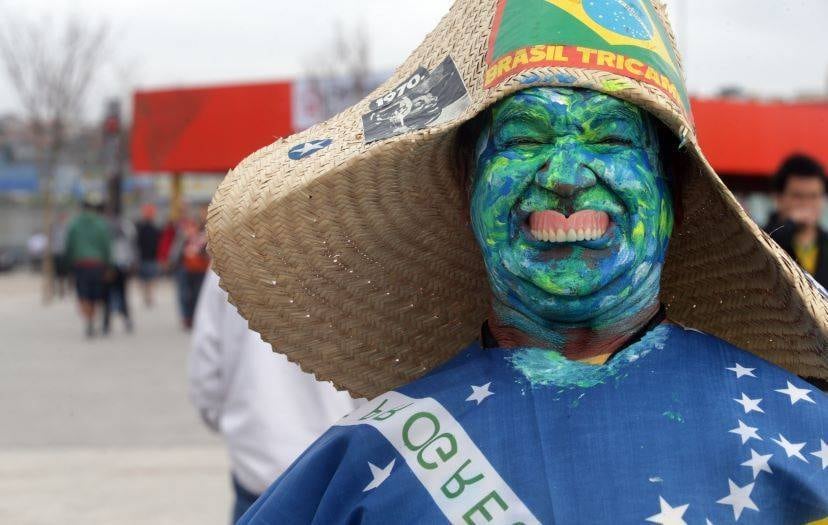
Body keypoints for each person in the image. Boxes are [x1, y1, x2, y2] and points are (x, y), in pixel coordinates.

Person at [208, 1, 827, 523]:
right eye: (525, 138)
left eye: (611, 139)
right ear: (467, 191)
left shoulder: (802, 440)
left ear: (675, 199)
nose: (562, 177)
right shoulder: (361, 469)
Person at [189, 270, 361, 523]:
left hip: (258, 461)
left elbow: (205, 366)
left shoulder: (229, 256)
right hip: (333, 465)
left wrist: (227, 421)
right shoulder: (352, 258)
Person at [766, 154, 828, 287]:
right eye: (798, 196)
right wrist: (790, 224)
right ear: (779, 198)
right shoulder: (764, 237)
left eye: (813, 196)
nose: (806, 203)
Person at [65, 193, 111, 337]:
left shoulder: (74, 223)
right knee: (95, 295)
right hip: (98, 264)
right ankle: (92, 318)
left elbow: (69, 245)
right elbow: (107, 246)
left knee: (83, 294)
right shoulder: (101, 224)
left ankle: (88, 320)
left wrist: (68, 265)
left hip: (80, 264)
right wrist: (110, 265)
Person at [170, 205, 210, 329]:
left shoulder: (208, 233)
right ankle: (187, 317)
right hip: (185, 267)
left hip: (201, 268)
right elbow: (177, 248)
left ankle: (196, 316)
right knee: (185, 294)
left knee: (198, 294)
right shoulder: (185, 232)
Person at [103, 214, 136, 334]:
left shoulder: (108, 228)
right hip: (121, 265)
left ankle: (107, 323)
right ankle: (121, 320)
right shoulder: (125, 228)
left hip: (116, 265)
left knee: (109, 296)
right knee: (121, 295)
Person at [135, 203, 162, 307]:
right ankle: (147, 296)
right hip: (145, 256)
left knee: (148, 279)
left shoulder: (152, 227)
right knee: (146, 279)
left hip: (149, 257)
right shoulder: (141, 227)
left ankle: (148, 296)